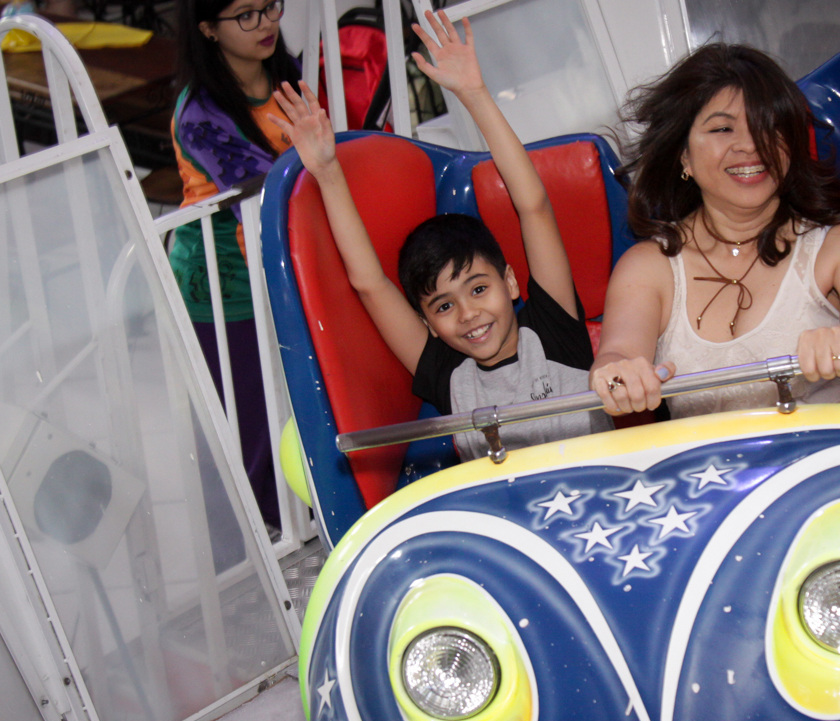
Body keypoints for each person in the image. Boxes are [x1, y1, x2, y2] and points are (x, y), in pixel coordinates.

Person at [271, 9, 611, 462]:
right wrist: (328, 172)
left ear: (510, 283)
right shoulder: (449, 373)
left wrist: (474, 94)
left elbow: (533, 206)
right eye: (445, 306)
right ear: (428, 323)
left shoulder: (553, 331)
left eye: (479, 288)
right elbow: (369, 283)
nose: (469, 314)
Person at [590, 43, 840, 419]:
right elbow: (618, 353)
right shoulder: (647, 266)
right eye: (722, 128)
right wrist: (617, 375)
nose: (750, 145)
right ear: (683, 155)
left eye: (769, 126)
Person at [170, 0, 299, 529]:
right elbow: (273, 181)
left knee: (291, 407)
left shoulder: (283, 77)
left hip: (281, 265)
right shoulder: (199, 111)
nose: (266, 23)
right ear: (208, 29)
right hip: (221, 287)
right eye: (245, 15)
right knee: (251, 426)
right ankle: (268, 548)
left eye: (269, 6)